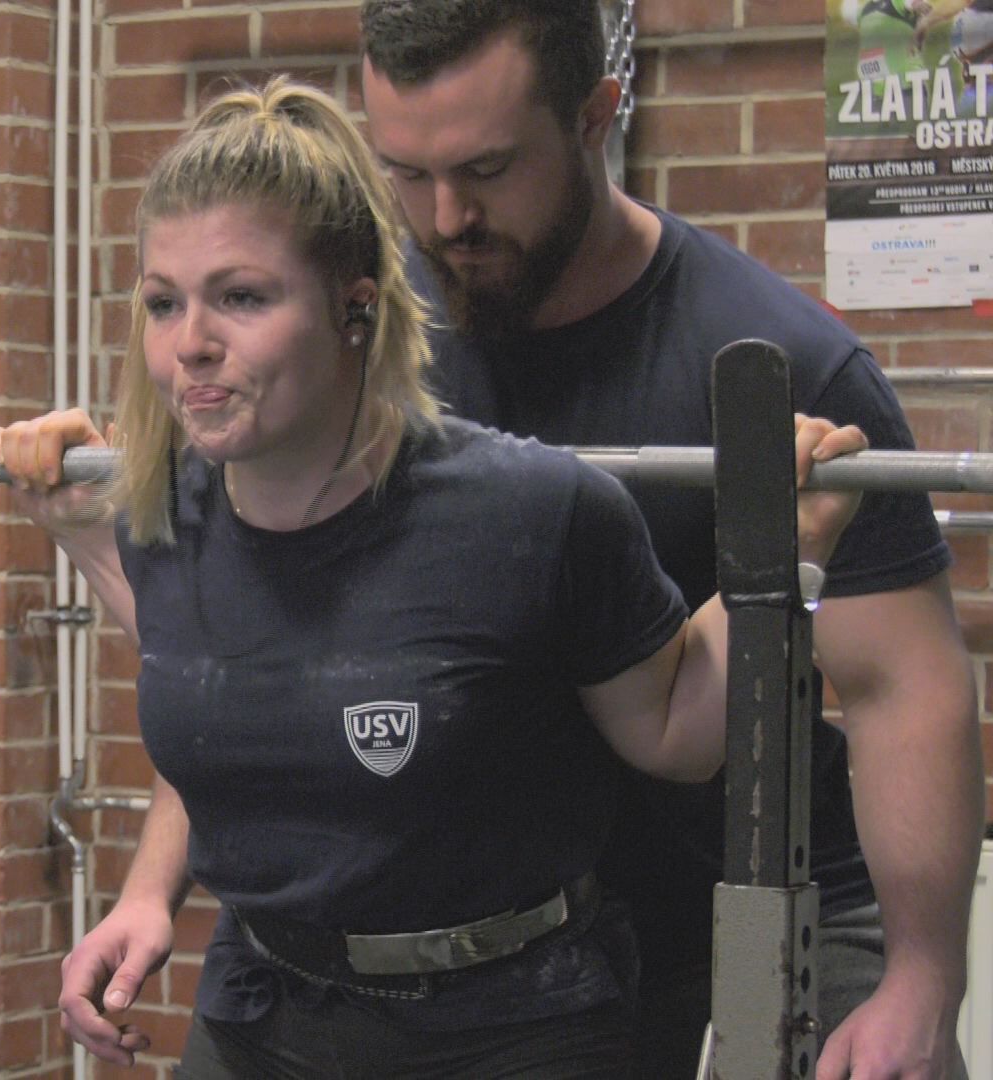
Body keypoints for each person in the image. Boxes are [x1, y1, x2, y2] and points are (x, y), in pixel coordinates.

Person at [0, 77, 868, 1077]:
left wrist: (787, 555)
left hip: (511, 1025)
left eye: (241, 296)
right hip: (264, 1011)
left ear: (354, 307)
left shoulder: (530, 513)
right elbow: (228, 684)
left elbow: (675, 732)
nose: (191, 342)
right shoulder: (160, 513)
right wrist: (146, 896)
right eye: (163, 302)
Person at [355, 2, 985, 1076]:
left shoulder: (786, 366)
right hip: (523, 909)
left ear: (597, 115)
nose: (446, 215)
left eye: (490, 169)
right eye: (407, 175)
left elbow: (900, 690)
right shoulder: (373, 358)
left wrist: (924, 983)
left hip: (768, 871)